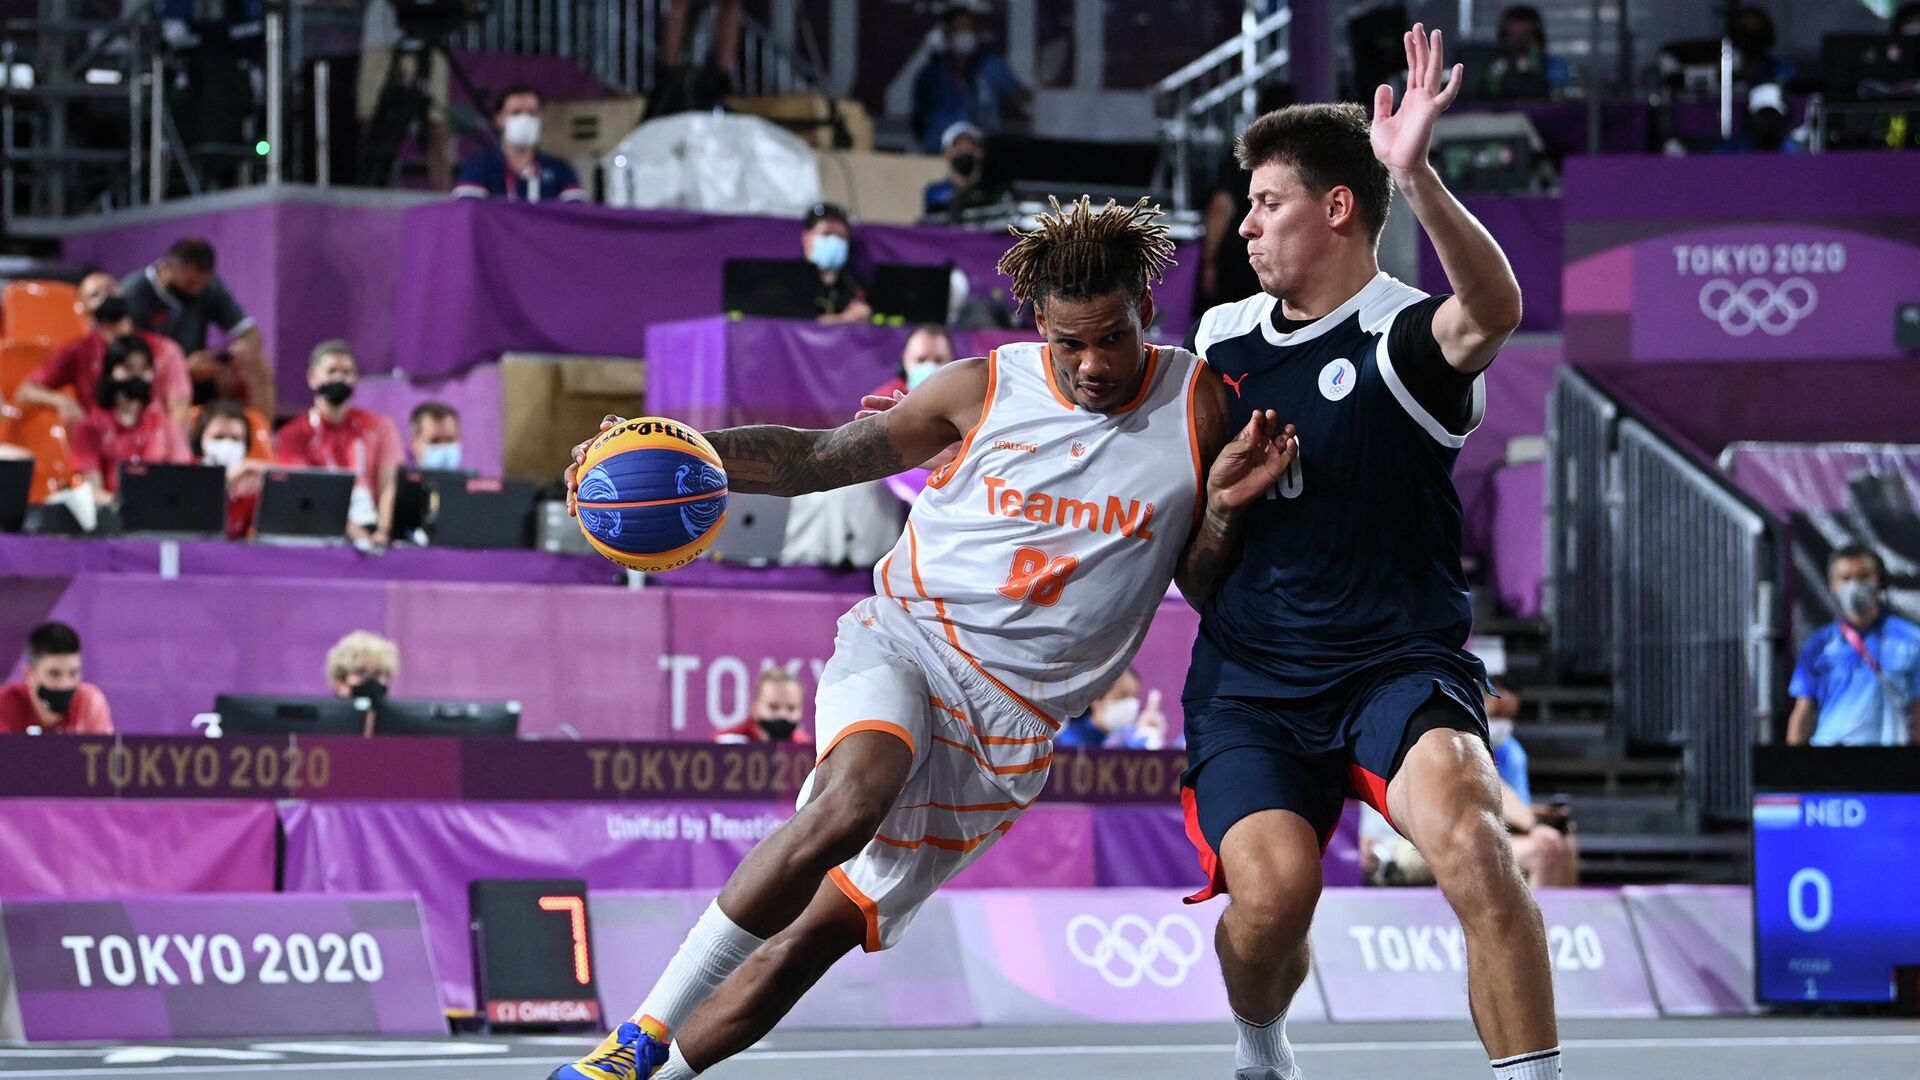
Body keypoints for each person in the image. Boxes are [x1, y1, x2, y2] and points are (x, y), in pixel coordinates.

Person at [547, 194, 1295, 1080]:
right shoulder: (980, 388)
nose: (1092, 364)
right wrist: (669, 446)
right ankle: (638, 1034)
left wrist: (1225, 515)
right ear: (1037, 324)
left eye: (1112, 337)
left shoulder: (1200, 406)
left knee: (819, 935)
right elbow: (817, 458)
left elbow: (1201, 583)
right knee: (851, 801)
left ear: (1146, 310)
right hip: (909, 639)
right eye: (1069, 343)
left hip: (1011, 726)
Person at [1178, 26, 1551, 1080]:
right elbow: (1196, 572)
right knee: (1273, 901)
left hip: (1398, 663)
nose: (1245, 225)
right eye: (1248, 205)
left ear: (1337, 208)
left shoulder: (1405, 338)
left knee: (1478, 841)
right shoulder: (1223, 342)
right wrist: (1219, 507)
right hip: (1253, 673)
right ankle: (1262, 1051)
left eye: (1267, 204)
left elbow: (1496, 309)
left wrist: (1417, 174)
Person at [783, 328, 957, 568]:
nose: (929, 366)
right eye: (921, 360)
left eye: (938, 360)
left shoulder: (963, 402)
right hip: (894, 481)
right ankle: (811, 561)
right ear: (905, 363)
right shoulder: (885, 399)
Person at [14, 272, 193, 433]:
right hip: (100, 447)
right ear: (84, 310)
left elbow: (179, 408)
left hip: (154, 446)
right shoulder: (77, 351)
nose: (107, 296)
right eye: (95, 295)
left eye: (111, 288)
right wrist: (63, 401)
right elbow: (25, 391)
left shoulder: (165, 349)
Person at [273, 340, 405, 547]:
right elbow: (306, 490)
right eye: (332, 371)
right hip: (319, 531)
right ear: (312, 377)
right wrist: (352, 531)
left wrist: (383, 531)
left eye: (346, 372)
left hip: (372, 526)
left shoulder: (380, 426)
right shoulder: (291, 434)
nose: (339, 378)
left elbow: (390, 484)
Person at [122, 237, 273, 418]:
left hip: (199, 370)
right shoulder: (134, 292)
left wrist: (240, 350)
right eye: (190, 284)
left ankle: (260, 436)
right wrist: (182, 368)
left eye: (202, 285)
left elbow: (250, 332)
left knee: (255, 362)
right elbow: (127, 360)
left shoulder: (207, 286)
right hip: (153, 374)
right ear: (169, 265)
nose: (196, 291)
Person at [1787, 546, 1920, 746]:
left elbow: (1918, 709)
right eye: (1845, 578)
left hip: (1892, 760)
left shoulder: (1910, 638)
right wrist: (1793, 769)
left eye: (1863, 576)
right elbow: (1802, 711)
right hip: (1831, 759)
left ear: (1880, 580)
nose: (1855, 585)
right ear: (1832, 584)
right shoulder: (1819, 643)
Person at [70, 335, 192, 499]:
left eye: (144, 369)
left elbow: (182, 477)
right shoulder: (89, 428)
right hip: (113, 516)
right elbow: (93, 490)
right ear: (110, 372)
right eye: (128, 368)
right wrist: (128, 509)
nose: (137, 376)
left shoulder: (165, 426)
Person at [910, 1, 1029, 154]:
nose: (965, 35)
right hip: (941, 152)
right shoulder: (930, 76)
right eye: (958, 29)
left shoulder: (991, 66)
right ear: (947, 34)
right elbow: (917, 120)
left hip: (986, 152)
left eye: (969, 29)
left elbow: (1020, 95)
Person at [452, 86, 587, 204]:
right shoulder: (478, 167)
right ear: (499, 119)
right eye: (516, 113)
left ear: (540, 117)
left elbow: (576, 218)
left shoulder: (561, 170)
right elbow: (467, 214)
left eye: (532, 113)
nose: (524, 119)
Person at [0, 622, 113, 735]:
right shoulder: (3, 705)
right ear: (29, 674)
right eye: (54, 674)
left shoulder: (89, 703)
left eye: (73, 673)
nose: (65, 684)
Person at [193, 400, 266, 539]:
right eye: (218, 437)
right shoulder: (185, 476)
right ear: (199, 440)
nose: (227, 444)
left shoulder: (249, 487)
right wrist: (226, 480)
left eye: (235, 439)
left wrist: (268, 480)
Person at [1059, 667, 1170, 750]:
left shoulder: (1132, 737)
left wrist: (1149, 739)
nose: (1131, 705)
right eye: (1122, 696)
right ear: (1096, 699)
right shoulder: (1070, 740)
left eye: (1134, 697)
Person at [800, 203, 873, 326]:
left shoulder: (857, 286)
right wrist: (845, 319)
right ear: (806, 238)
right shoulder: (789, 282)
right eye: (826, 234)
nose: (834, 241)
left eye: (840, 236)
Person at [921, 122, 999, 223]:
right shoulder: (936, 191)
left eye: (970, 145)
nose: (965, 150)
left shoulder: (990, 192)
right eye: (959, 146)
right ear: (947, 154)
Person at [713, 669, 813, 744]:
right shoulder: (724, 743)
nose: (783, 715)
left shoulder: (808, 750)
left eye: (791, 708)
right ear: (754, 708)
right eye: (774, 707)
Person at [1492, 5, 1572, 95]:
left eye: (1525, 36)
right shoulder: (1492, 67)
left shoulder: (1555, 66)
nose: (1519, 43)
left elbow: (1559, 96)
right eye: (1514, 36)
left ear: (1538, 38)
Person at [1717, 82, 1801, 154]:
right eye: (1762, 116)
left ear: (1784, 119)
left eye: (1773, 115)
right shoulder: (1732, 150)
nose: (1768, 122)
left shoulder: (1795, 153)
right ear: (1749, 119)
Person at [326, 630, 399, 704]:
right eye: (361, 672)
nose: (371, 681)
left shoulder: (400, 715)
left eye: (377, 673)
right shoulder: (322, 715)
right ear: (340, 680)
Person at [409, 401, 463, 470]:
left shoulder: (474, 480)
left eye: (450, 440)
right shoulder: (398, 481)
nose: (444, 446)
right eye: (434, 441)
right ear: (414, 444)